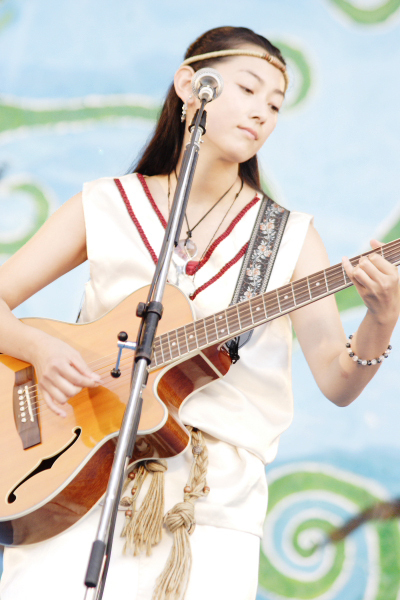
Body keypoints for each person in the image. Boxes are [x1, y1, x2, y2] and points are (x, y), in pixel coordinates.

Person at [0, 25, 398, 600]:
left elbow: (339, 382)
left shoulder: (289, 238)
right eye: (249, 89)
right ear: (190, 85)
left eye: (275, 105)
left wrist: (381, 319)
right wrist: (41, 350)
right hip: (74, 477)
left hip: (212, 509)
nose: (262, 112)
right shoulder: (107, 203)